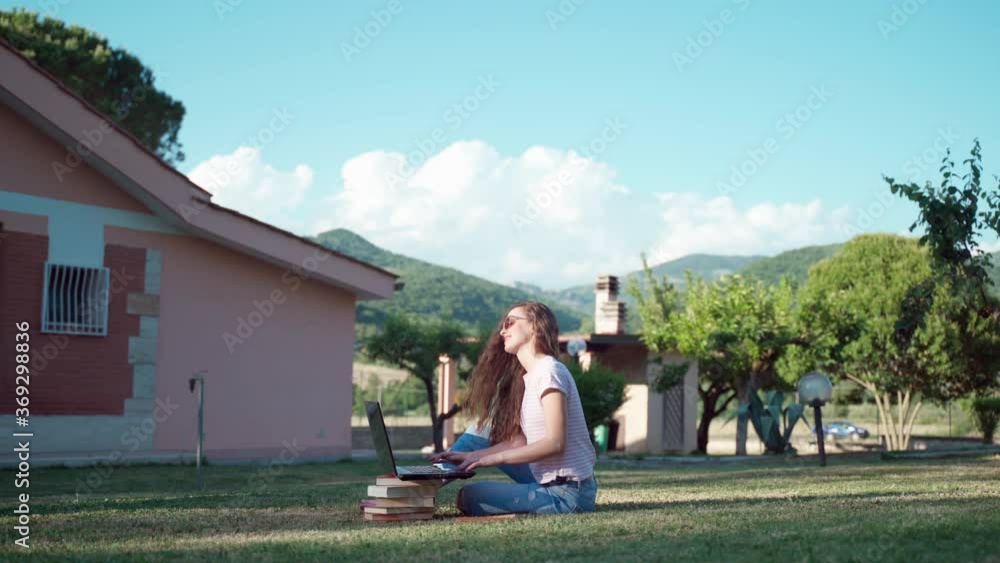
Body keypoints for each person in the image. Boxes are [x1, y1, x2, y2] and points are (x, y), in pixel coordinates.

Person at [427, 301, 598, 516]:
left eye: (510, 323)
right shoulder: (533, 376)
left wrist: (494, 459)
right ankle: (419, 488)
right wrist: (473, 456)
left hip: (568, 494)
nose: (502, 330)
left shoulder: (550, 373)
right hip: (554, 483)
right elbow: (521, 441)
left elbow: (556, 443)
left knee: (468, 497)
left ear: (535, 326)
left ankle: (415, 492)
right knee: (478, 432)